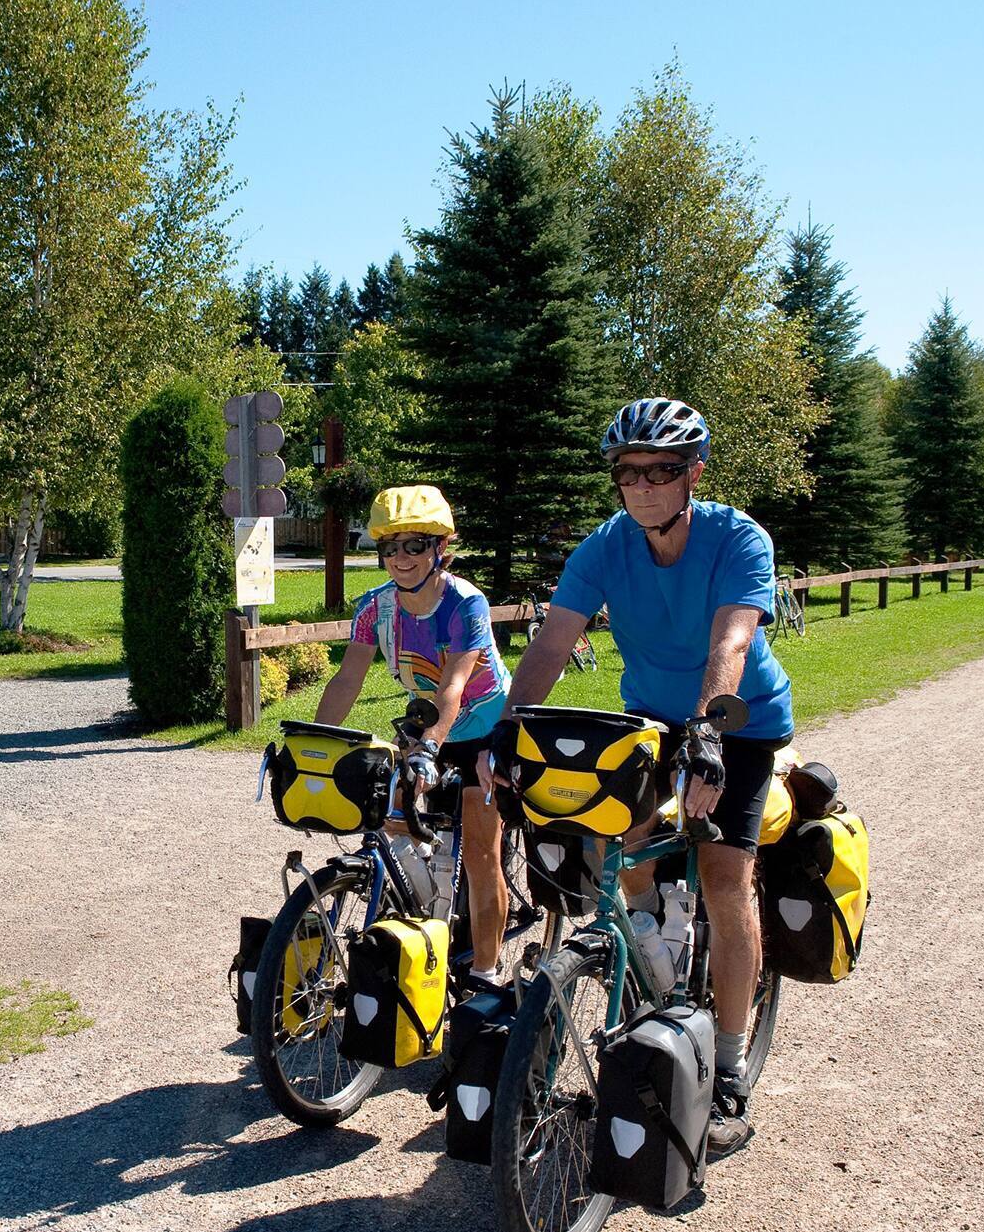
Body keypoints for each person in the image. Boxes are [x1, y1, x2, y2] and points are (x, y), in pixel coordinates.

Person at [491, 397, 793, 1151]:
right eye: (629, 473)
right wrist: (507, 728)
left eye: (661, 471)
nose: (643, 486)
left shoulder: (738, 539)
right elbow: (553, 643)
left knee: (724, 874)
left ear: (694, 474)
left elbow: (731, 642)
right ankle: (658, 949)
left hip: (739, 723)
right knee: (613, 836)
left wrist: (709, 731)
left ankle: (729, 1068)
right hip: (653, 718)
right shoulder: (605, 547)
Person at [313, 484, 512, 988]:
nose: (400, 558)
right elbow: (347, 680)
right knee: (392, 819)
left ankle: (485, 976)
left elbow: (454, 686)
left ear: (440, 547)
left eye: (415, 545)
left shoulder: (465, 603)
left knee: (481, 851)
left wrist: (429, 749)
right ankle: (426, 917)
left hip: (484, 731)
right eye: (390, 547)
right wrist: (315, 741)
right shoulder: (375, 608)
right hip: (426, 724)